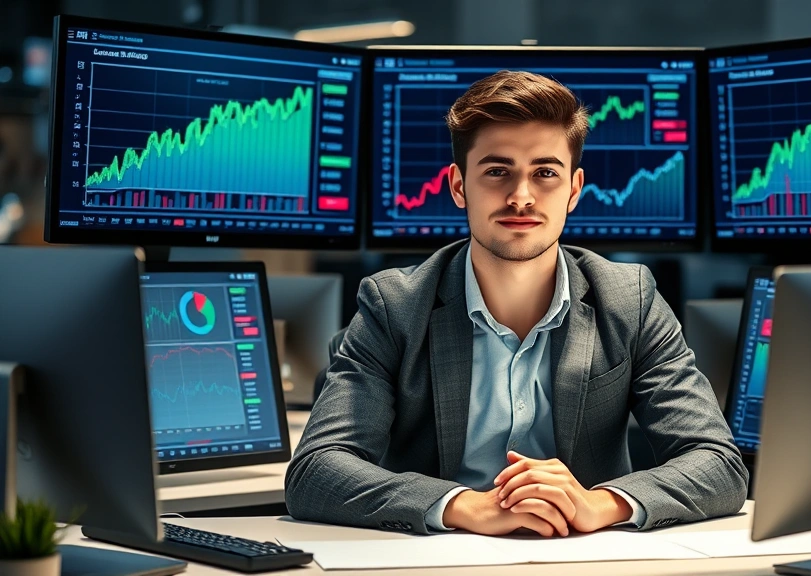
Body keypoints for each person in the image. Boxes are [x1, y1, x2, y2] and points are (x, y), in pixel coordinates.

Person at [285, 70, 748, 537]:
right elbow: (316, 471)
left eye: (545, 173)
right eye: (496, 171)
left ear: (574, 189)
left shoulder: (632, 299)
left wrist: (600, 503)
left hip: (584, 557)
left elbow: (719, 463)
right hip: (438, 559)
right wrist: (464, 507)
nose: (520, 197)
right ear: (459, 185)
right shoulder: (394, 305)